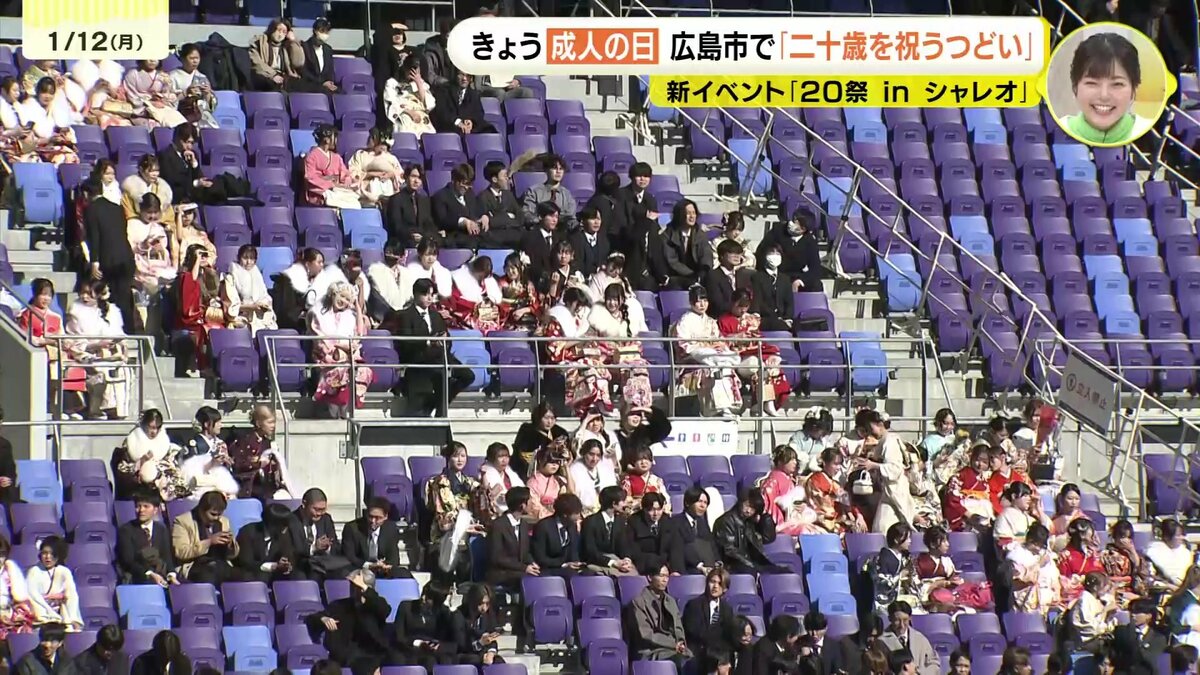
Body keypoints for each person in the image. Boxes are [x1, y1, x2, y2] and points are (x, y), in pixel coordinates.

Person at [1057, 33, 1151, 146]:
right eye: (1092, 83)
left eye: (1117, 84)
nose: (1104, 95)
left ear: (1133, 90)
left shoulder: (1150, 133)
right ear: (1075, 87)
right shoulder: (1055, 130)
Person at [307, 569, 401, 675]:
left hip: (372, 656)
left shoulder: (375, 607)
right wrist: (323, 618)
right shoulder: (339, 605)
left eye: (356, 587)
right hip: (345, 657)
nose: (353, 589)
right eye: (352, 586)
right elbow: (312, 618)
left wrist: (365, 588)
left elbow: (385, 610)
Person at [672, 285, 744, 417]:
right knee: (711, 366)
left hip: (712, 354)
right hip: (693, 357)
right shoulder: (685, 320)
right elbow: (683, 344)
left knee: (725, 365)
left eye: (705, 301)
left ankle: (726, 406)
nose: (702, 305)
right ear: (691, 302)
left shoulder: (710, 321)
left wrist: (719, 345)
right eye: (699, 301)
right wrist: (706, 346)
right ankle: (718, 407)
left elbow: (719, 339)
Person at [84, 163, 137, 335]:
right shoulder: (117, 208)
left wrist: (94, 261)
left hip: (109, 260)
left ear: (87, 194)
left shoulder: (91, 209)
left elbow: (95, 237)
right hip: (126, 258)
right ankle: (131, 332)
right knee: (125, 297)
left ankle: (117, 332)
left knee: (112, 299)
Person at [310, 281, 373, 418]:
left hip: (348, 356)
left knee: (363, 371)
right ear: (334, 294)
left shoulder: (350, 316)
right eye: (342, 296)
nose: (343, 301)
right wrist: (339, 348)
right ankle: (333, 412)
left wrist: (357, 306)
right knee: (340, 370)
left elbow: (359, 333)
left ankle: (345, 411)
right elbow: (319, 339)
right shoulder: (317, 314)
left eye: (347, 300)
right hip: (327, 356)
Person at [425, 442, 483, 583]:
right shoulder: (439, 482)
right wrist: (465, 526)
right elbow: (444, 513)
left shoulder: (469, 481)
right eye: (456, 456)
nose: (460, 460)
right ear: (448, 458)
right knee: (446, 577)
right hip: (446, 533)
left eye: (463, 456)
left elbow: (481, 496)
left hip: (466, 532)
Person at [113, 410, 188, 502]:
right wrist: (141, 462)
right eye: (151, 427)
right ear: (144, 425)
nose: (154, 432)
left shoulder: (165, 443)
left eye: (157, 428)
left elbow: (173, 467)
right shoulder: (131, 443)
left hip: (163, 487)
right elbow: (122, 471)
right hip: (140, 489)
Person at [172, 490, 241, 584]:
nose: (217, 518)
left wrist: (230, 544)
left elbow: (232, 555)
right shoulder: (183, 522)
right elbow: (181, 552)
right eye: (213, 514)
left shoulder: (224, 521)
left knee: (245, 576)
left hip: (220, 564)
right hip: (196, 566)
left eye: (219, 514)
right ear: (201, 510)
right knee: (209, 574)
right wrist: (209, 542)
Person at [228, 404, 294, 501]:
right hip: (248, 490)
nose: (273, 426)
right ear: (258, 423)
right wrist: (258, 464)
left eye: (274, 422)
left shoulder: (268, 443)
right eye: (270, 422)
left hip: (267, 490)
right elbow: (237, 464)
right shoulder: (243, 441)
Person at [631, 564, 692, 666]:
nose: (665, 580)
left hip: (673, 648)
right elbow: (646, 634)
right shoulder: (638, 602)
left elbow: (678, 627)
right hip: (652, 650)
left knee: (694, 661)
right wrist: (673, 644)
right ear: (650, 577)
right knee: (680, 661)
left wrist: (680, 642)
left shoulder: (670, 601)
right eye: (661, 576)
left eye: (667, 576)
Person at [116, 489, 178, 586]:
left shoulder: (161, 529)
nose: (141, 510)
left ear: (155, 510)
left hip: (160, 575)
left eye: (146, 506)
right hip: (138, 577)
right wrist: (150, 574)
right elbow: (128, 561)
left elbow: (166, 556)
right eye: (138, 506)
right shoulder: (126, 530)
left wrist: (171, 575)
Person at [290, 488, 352, 582]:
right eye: (316, 509)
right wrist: (314, 547)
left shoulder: (326, 519)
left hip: (323, 562)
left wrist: (327, 547)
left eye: (322, 510)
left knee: (346, 572)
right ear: (304, 504)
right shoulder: (291, 520)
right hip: (301, 565)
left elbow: (335, 546)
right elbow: (292, 550)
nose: (319, 513)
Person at [712, 488, 779, 574]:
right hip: (733, 565)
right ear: (740, 503)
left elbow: (768, 538)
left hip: (751, 563)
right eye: (747, 505)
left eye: (753, 508)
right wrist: (752, 565)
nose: (748, 511)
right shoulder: (725, 521)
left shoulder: (749, 521)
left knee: (784, 571)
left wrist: (764, 515)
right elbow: (730, 550)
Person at [178, 406, 239, 499]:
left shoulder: (220, 444)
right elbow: (188, 472)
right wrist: (211, 463)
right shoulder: (193, 445)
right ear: (207, 424)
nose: (221, 425)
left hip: (220, 488)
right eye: (218, 422)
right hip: (200, 490)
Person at [756, 209, 822, 292]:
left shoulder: (809, 242)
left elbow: (815, 269)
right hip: (774, 273)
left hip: (794, 276)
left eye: (795, 222)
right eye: (793, 219)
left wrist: (801, 280)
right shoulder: (777, 231)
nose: (791, 223)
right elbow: (761, 252)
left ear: (803, 229)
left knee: (816, 285)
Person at [341, 498, 408, 579]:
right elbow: (349, 556)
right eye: (370, 516)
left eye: (377, 518)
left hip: (381, 570)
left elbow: (394, 558)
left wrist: (384, 566)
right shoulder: (352, 528)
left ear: (385, 517)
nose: (373, 521)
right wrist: (370, 565)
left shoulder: (391, 529)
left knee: (403, 573)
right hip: (360, 568)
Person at [25, 537, 82, 632]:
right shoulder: (34, 571)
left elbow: (71, 595)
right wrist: (49, 609)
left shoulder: (64, 571)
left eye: (52, 554)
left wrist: (73, 617)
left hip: (61, 614)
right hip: (41, 615)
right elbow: (33, 596)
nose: (48, 557)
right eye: (44, 553)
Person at [237, 502, 302, 583]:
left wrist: (286, 564)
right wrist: (272, 566)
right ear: (272, 524)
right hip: (253, 573)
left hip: (275, 574)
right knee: (258, 576)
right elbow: (246, 562)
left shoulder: (284, 534)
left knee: (298, 575)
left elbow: (289, 554)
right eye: (283, 525)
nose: (286, 528)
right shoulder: (247, 532)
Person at [683, 568, 740, 661]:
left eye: (720, 584)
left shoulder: (727, 609)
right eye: (713, 582)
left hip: (720, 653)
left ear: (725, 589)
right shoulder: (694, 605)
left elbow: (728, 633)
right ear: (707, 583)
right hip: (699, 652)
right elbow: (694, 631)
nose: (715, 586)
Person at [485, 487, 537, 588]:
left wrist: (532, 563)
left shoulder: (523, 524)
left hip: (519, 571)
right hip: (502, 573)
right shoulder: (498, 525)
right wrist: (524, 568)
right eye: (530, 501)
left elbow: (525, 552)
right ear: (522, 505)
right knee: (529, 581)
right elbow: (497, 557)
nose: (533, 504)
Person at [579, 485, 637, 576]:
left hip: (617, 560)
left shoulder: (620, 521)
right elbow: (590, 551)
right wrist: (613, 562)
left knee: (635, 577)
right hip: (598, 562)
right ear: (614, 503)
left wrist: (626, 559)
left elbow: (624, 545)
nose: (625, 504)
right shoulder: (590, 522)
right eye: (623, 501)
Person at [222, 244, 278, 334]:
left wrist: (264, 304)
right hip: (241, 318)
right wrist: (251, 307)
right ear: (239, 258)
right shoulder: (230, 277)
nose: (248, 262)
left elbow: (265, 296)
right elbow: (231, 306)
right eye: (245, 258)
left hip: (258, 317)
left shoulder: (257, 274)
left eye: (252, 259)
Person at [304, 125, 361, 210]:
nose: (336, 141)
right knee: (333, 198)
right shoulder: (311, 156)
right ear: (326, 140)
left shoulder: (336, 157)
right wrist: (330, 185)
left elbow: (345, 174)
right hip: (321, 191)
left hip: (338, 189)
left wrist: (347, 183)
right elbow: (310, 177)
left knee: (354, 201)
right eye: (335, 137)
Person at [667, 486, 722, 574]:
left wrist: (717, 561)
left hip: (706, 570)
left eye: (705, 503)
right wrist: (700, 566)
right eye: (699, 501)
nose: (703, 506)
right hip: (687, 570)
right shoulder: (675, 523)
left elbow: (711, 545)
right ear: (687, 503)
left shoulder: (703, 523)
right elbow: (678, 552)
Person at [876, 601, 940, 675]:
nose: (902, 625)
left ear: (910, 618)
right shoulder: (881, 641)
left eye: (905, 620)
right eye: (897, 620)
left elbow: (933, 662)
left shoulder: (920, 638)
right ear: (890, 619)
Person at [662, 200, 714, 289]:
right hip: (676, 276)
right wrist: (691, 274)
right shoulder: (668, 234)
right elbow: (671, 261)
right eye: (688, 213)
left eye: (694, 213)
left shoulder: (700, 234)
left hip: (697, 275)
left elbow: (706, 255)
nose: (692, 216)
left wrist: (703, 271)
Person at [248, 18, 311, 92]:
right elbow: (257, 63)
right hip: (265, 76)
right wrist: (273, 75)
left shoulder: (287, 45)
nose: (280, 34)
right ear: (272, 29)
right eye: (279, 30)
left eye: (284, 32)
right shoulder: (259, 42)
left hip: (284, 77)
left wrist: (293, 42)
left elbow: (298, 63)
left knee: (302, 85)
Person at [531, 493, 585, 577]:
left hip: (569, 569)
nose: (579, 516)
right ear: (565, 515)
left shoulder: (572, 526)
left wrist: (576, 564)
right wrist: (563, 564)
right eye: (577, 513)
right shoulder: (543, 527)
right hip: (549, 570)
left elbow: (574, 551)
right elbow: (540, 558)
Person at [347, 127, 404, 206]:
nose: (369, 139)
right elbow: (353, 173)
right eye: (370, 137)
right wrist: (371, 174)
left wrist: (392, 174)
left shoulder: (391, 157)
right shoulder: (360, 154)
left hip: (389, 188)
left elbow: (401, 176)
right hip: (366, 188)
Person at [450, 584, 505, 666]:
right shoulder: (458, 615)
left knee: (498, 661)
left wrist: (491, 653)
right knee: (476, 660)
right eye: (481, 603)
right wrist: (480, 643)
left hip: (482, 653)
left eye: (487, 604)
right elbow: (460, 645)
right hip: (464, 654)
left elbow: (492, 639)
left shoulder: (488, 614)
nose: (484, 608)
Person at [383, 52, 436, 137]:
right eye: (410, 70)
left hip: (421, 115)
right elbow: (391, 104)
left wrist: (418, 83)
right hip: (403, 114)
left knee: (429, 133)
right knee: (406, 128)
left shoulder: (422, 85)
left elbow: (428, 105)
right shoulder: (392, 83)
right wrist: (410, 113)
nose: (412, 73)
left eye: (415, 70)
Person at [385, 165, 439, 247]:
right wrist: (411, 235)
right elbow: (396, 226)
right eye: (413, 176)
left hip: (423, 241)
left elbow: (429, 224)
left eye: (419, 178)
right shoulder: (395, 200)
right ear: (406, 177)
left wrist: (425, 236)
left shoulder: (425, 201)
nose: (416, 181)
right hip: (403, 242)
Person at [1111, 597, 1167, 675]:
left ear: (1148, 615)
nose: (1133, 615)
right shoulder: (1121, 632)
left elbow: (1153, 660)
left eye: (1137, 612)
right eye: (1131, 611)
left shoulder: (1158, 638)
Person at [521, 155, 577, 229]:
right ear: (547, 170)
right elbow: (527, 213)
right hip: (538, 229)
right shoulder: (534, 191)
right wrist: (544, 221)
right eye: (554, 168)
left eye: (561, 169)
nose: (558, 171)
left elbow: (570, 217)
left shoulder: (567, 195)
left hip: (561, 230)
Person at [169, 45, 218, 128]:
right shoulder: (173, 76)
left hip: (201, 116)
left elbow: (210, 105)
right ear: (183, 59)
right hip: (181, 115)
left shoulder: (202, 77)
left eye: (197, 58)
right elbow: (169, 100)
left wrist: (207, 94)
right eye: (191, 58)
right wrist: (185, 93)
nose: (195, 61)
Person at [431, 71, 492, 136]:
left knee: (489, 130)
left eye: (467, 75)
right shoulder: (444, 90)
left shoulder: (474, 94)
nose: (464, 79)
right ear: (455, 75)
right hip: (449, 128)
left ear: (471, 78)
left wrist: (471, 121)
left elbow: (479, 113)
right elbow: (442, 112)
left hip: (468, 131)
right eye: (461, 75)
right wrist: (458, 122)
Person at [479, 443, 524, 521]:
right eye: (500, 457)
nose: (504, 460)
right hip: (496, 514)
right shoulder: (485, 473)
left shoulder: (509, 472)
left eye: (506, 456)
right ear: (492, 458)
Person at [299, 18, 338, 93]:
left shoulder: (328, 49)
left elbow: (330, 70)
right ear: (315, 31)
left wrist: (330, 82)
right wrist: (322, 83)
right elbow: (304, 71)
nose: (325, 35)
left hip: (326, 86)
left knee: (341, 93)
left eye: (327, 32)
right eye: (322, 31)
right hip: (309, 86)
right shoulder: (304, 47)